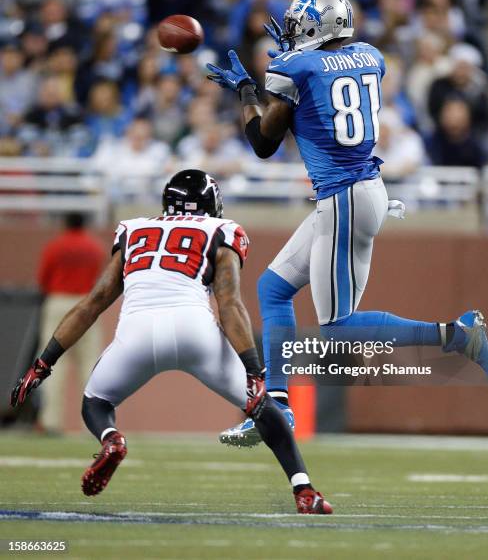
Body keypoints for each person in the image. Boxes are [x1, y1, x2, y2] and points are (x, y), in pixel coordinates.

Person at [206, 0, 488, 447]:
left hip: (345, 196)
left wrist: (247, 90)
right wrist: (292, 68)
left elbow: (263, 143)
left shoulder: (294, 66)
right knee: (273, 287)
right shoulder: (370, 55)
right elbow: (326, 77)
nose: (288, 34)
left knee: (337, 326)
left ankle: (456, 334)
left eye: (295, 27)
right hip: (358, 191)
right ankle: (277, 405)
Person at [11, 170, 332, 515]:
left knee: (96, 402)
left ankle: (111, 439)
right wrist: (254, 370)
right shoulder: (221, 231)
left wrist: (43, 363)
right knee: (262, 406)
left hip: (136, 331)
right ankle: (304, 490)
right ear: (210, 205)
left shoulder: (133, 228)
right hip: (196, 330)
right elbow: (229, 304)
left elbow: (94, 302)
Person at [35, 213, 105, 433]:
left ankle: (50, 422)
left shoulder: (55, 246)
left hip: (58, 301)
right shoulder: (95, 247)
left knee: (50, 365)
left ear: (65, 223)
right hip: (86, 304)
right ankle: (93, 424)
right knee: (90, 365)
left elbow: (43, 279)